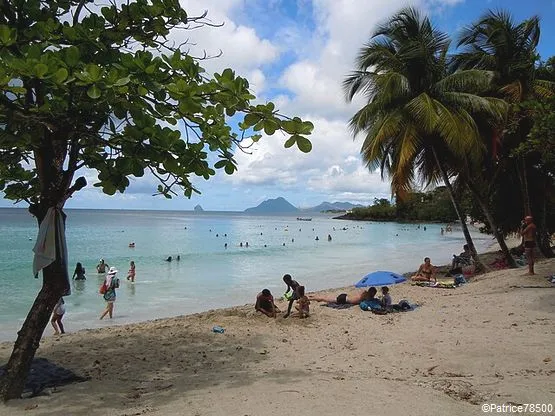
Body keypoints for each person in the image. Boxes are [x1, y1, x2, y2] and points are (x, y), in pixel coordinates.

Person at [309, 287, 378, 305]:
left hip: (345, 295)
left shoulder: (364, 292)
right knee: (324, 299)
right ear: (372, 293)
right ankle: (310, 299)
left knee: (326, 297)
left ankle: (313, 296)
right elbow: (369, 301)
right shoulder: (367, 297)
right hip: (344, 299)